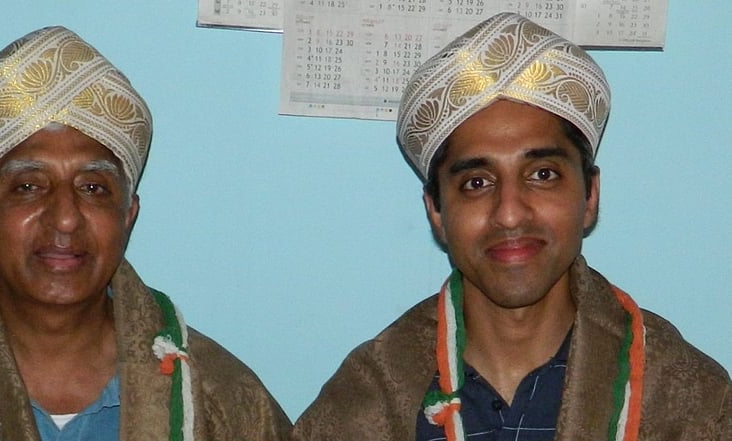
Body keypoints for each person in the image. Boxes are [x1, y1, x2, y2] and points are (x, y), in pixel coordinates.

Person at [0, 26, 291, 441]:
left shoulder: (220, 401)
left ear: (127, 215)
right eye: (28, 186)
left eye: (93, 188)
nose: (66, 218)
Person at [291, 12, 729, 441]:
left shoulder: (688, 401)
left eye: (542, 174)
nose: (510, 214)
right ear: (436, 211)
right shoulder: (365, 403)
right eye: (476, 183)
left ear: (590, 195)